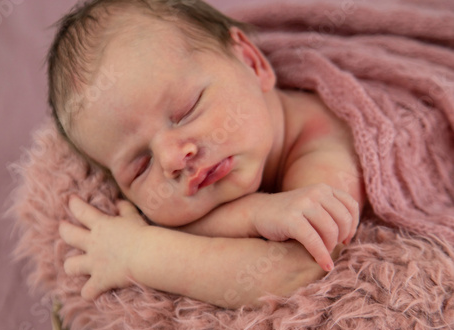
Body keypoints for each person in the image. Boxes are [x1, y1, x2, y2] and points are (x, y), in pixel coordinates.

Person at [50, 0, 366, 308]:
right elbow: (176, 220)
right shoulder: (211, 168)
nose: (172, 159)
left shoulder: (322, 146)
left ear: (251, 62)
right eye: (141, 166)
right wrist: (256, 213)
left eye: (187, 111)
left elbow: (298, 270)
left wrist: (138, 253)